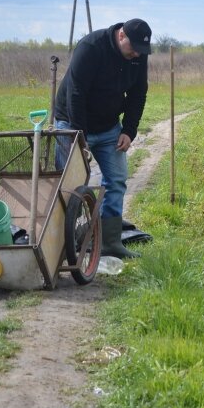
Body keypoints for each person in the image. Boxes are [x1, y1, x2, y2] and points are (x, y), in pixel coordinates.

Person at [54, 18, 151, 259]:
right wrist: (79, 135)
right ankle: (62, 245)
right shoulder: (91, 47)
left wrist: (129, 130)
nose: (137, 53)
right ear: (121, 36)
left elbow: (139, 93)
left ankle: (110, 243)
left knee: (116, 180)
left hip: (109, 128)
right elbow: (75, 93)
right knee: (69, 184)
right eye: (134, 47)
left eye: (141, 49)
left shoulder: (138, 55)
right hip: (72, 122)